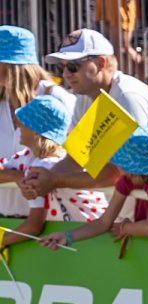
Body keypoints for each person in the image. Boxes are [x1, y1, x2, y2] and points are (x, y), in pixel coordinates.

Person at [26, 29, 148, 204]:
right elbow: (76, 159)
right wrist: (39, 180)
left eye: (73, 66)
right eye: (62, 66)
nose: (65, 74)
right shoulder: (85, 97)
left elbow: (115, 174)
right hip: (147, 211)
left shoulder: (127, 97)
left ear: (101, 63)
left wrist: (55, 180)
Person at [40, 126, 148, 250]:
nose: (117, 167)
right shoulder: (128, 179)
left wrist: (125, 228)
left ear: (134, 168)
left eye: (120, 164)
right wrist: (67, 237)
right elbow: (103, 222)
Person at [2, 95, 108, 250]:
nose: (17, 124)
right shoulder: (30, 156)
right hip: (83, 233)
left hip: (93, 236)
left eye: (24, 122)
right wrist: (15, 176)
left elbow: (34, 226)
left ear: (36, 131)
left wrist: (3, 240)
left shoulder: (43, 166)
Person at [0, 26, 76, 218]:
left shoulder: (57, 98)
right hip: (5, 218)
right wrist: (16, 176)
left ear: (12, 65)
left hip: (53, 221)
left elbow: (83, 154)